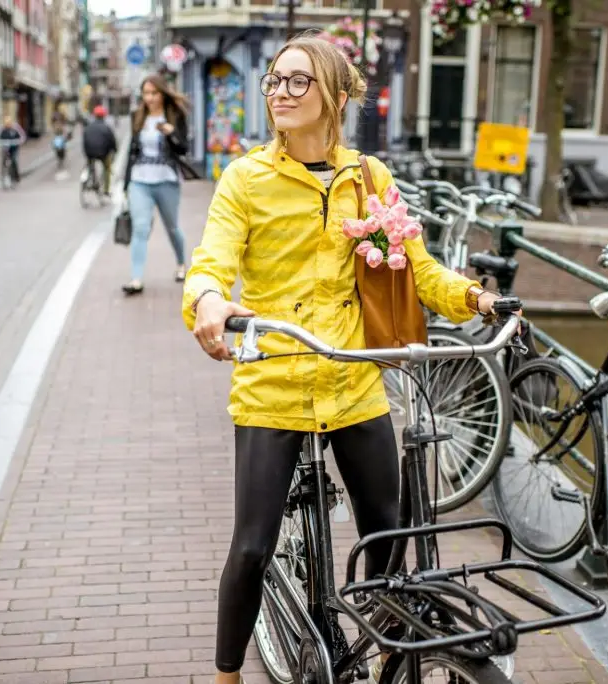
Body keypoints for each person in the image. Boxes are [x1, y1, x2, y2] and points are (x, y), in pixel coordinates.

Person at [181, 33, 518, 684]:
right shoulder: (246, 179)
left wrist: (477, 298)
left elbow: (417, 269)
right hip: (273, 379)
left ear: (335, 96)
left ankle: (396, 656)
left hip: (352, 379)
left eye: (297, 81)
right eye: (274, 81)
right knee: (251, 546)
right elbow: (211, 263)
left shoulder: (371, 179)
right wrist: (209, 304)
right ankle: (225, 678)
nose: (280, 91)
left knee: (386, 535)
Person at [120, 74, 198, 295]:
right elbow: (131, 152)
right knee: (140, 228)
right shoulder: (137, 116)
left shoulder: (175, 115)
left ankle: (182, 264)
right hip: (139, 179)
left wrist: (172, 134)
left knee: (172, 227)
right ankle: (136, 279)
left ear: (163, 94)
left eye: (154, 93)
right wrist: (125, 183)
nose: (150, 98)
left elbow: (184, 149)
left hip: (166, 179)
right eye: (146, 93)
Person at [82, 105, 118, 196]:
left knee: (90, 165)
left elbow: (84, 140)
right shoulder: (106, 127)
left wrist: (86, 153)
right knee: (107, 169)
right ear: (104, 116)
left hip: (89, 153)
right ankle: (106, 190)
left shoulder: (88, 127)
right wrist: (114, 150)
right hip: (103, 153)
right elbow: (112, 141)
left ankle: (91, 178)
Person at [0, 116, 27, 182]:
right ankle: (3, 174)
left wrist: (19, 141)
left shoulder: (16, 127)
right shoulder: (2, 129)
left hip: (14, 148)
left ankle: (16, 176)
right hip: (6, 148)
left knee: (14, 160)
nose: (8, 125)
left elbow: (22, 136)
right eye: (6, 124)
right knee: (4, 160)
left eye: (9, 124)